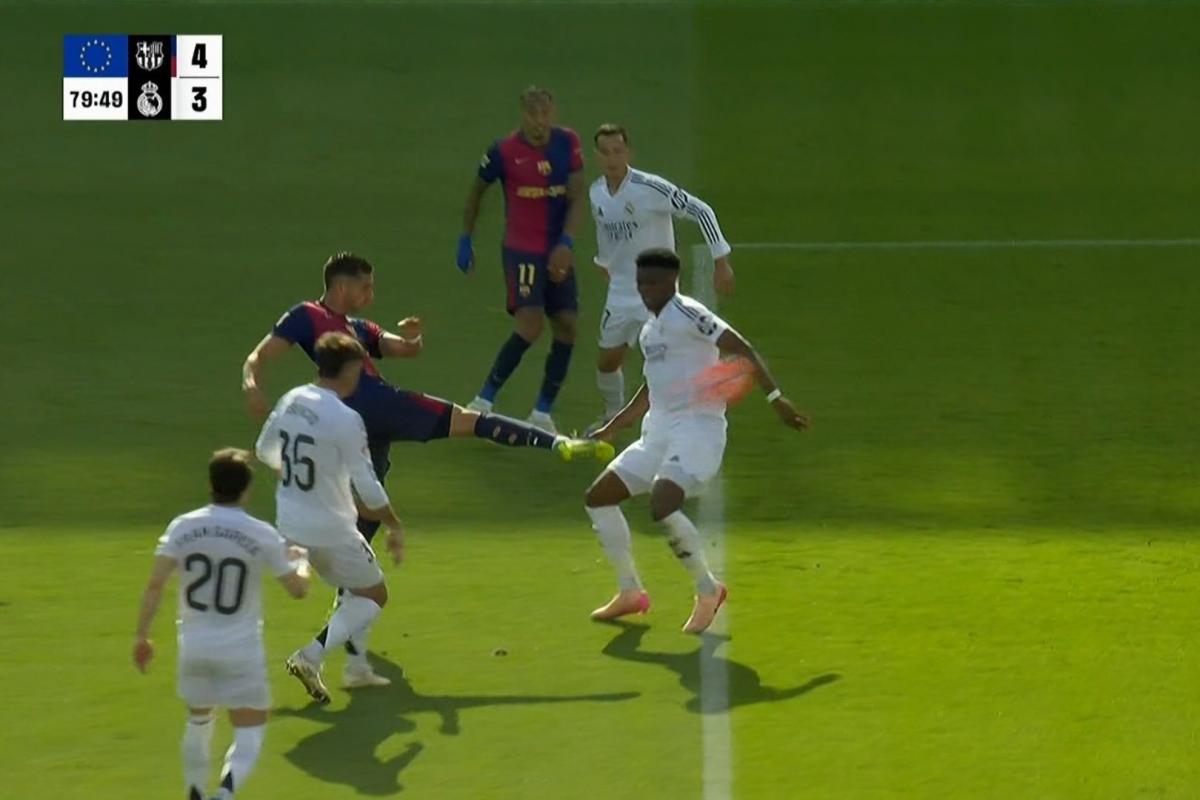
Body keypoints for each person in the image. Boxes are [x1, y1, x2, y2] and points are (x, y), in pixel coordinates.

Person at [585, 248, 809, 634]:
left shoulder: (688, 313)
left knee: (663, 501)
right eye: (641, 284)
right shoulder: (649, 329)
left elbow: (742, 347)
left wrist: (776, 399)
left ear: (672, 281)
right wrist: (614, 427)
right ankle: (630, 591)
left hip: (697, 432)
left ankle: (709, 590)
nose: (645, 291)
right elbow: (651, 387)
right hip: (657, 434)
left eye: (652, 283)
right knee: (598, 498)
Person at [133, 447, 311, 800]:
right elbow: (298, 590)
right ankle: (225, 794)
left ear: (210, 484)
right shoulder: (259, 532)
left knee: (198, 719)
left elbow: (156, 584)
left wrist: (142, 635)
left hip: (194, 645)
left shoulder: (183, 526)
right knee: (251, 727)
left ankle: (195, 791)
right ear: (246, 489)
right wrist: (302, 563)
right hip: (241, 650)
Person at [255, 332, 407, 700]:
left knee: (349, 587)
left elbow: (264, 449)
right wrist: (392, 523)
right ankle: (311, 656)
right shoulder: (345, 418)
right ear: (350, 370)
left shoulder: (292, 399)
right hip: (332, 529)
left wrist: (301, 478)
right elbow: (367, 483)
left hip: (289, 522)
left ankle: (355, 666)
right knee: (373, 595)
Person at [588, 123, 735, 429]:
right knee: (607, 362)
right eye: (606, 152)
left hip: (657, 294)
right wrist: (604, 260)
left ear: (628, 153)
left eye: (618, 151)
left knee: (663, 362)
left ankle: (672, 420)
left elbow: (702, 211)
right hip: (620, 291)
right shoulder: (597, 193)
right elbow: (605, 231)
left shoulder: (651, 188)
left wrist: (721, 260)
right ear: (597, 156)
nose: (612, 158)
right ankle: (613, 414)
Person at [457, 86, 587, 431]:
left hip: (557, 249)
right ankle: (483, 400)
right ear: (523, 115)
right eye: (533, 114)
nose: (539, 121)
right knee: (530, 325)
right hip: (522, 249)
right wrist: (466, 238)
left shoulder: (567, 142)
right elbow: (476, 193)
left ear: (553, 113)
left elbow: (577, 197)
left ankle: (542, 413)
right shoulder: (504, 151)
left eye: (545, 113)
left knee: (567, 326)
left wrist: (567, 243)